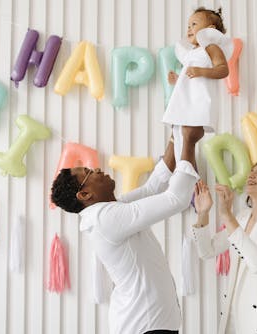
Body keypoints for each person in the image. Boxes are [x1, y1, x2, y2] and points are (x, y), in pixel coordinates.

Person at [51, 126, 204, 334]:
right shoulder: (105, 219)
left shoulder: (109, 211)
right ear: (85, 195)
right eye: (88, 173)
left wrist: (175, 136)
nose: (97, 169)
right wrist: (189, 142)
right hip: (144, 326)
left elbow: (153, 188)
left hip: (148, 324)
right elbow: (176, 199)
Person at [192, 160, 257, 333]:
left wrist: (227, 216)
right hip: (237, 318)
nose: (251, 175)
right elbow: (207, 251)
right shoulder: (242, 217)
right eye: (251, 171)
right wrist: (203, 213)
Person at [162, 7, 233, 164]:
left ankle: (187, 176)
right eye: (188, 25)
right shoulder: (192, 53)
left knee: (186, 140)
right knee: (179, 140)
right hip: (186, 103)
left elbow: (223, 70)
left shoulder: (211, 47)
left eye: (194, 24)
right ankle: (183, 174)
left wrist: (201, 71)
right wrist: (179, 79)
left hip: (197, 104)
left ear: (210, 29)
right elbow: (191, 78)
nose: (189, 29)